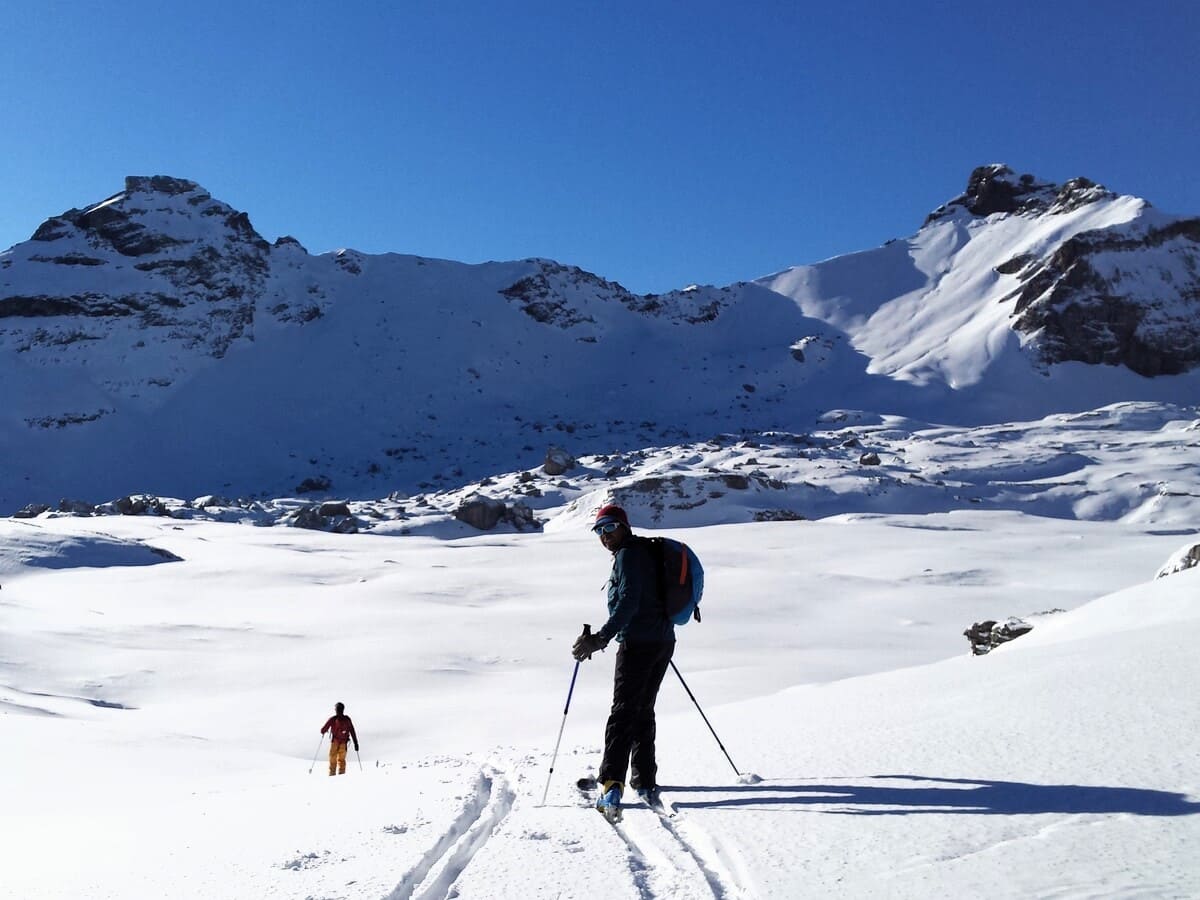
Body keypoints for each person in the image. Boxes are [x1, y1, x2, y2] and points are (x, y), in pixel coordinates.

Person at [572, 504, 673, 817]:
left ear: (624, 526)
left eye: (610, 528)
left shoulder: (630, 555)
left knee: (622, 713)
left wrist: (601, 638)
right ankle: (644, 778)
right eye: (599, 531)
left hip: (638, 644)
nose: (604, 536)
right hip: (662, 641)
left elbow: (628, 603)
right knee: (643, 709)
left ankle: (611, 786)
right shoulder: (644, 552)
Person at [320, 702, 360, 776]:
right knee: (341, 760)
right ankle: (342, 775)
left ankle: (332, 775)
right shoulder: (347, 719)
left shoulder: (333, 719)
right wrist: (356, 743)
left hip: (335, 742)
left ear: (336, 710)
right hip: (344, 743)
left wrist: (323, 731)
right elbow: (352, 730)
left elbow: (323, 729)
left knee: (332, 759)